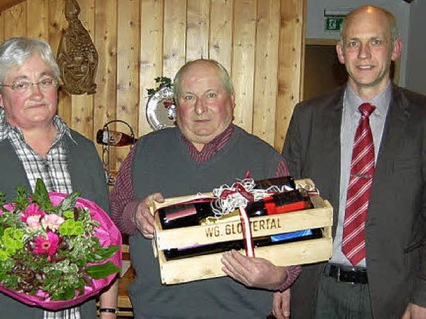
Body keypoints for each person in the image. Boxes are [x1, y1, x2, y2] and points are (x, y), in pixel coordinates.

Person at [0, 37, 118, 318]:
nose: (37, 94)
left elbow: (106, 243)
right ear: (0, 95)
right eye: (22, 84)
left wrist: (108, 311)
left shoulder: (84, 151)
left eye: (45, 81)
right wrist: (11, 275)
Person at [109, 59, 299, 319]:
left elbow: (295, 240)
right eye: (189, 97)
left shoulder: (267, 161)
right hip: (156, 312)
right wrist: (135, 214)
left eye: (211, 95)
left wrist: (278, 278)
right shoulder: (144, 151)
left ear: (231, 100)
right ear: (175, 107)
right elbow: (114, 212)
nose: (200, 108)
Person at [282, 5, 426, 319]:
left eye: (375, 42)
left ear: (395, 49)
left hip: (394, 296)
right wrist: (283, 280)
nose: (363, 54)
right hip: (317, 289)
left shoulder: (421, 118)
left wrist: (423, 295)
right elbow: (287, 205)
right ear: (340, 52)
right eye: (353, 43)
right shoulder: (308, 116)